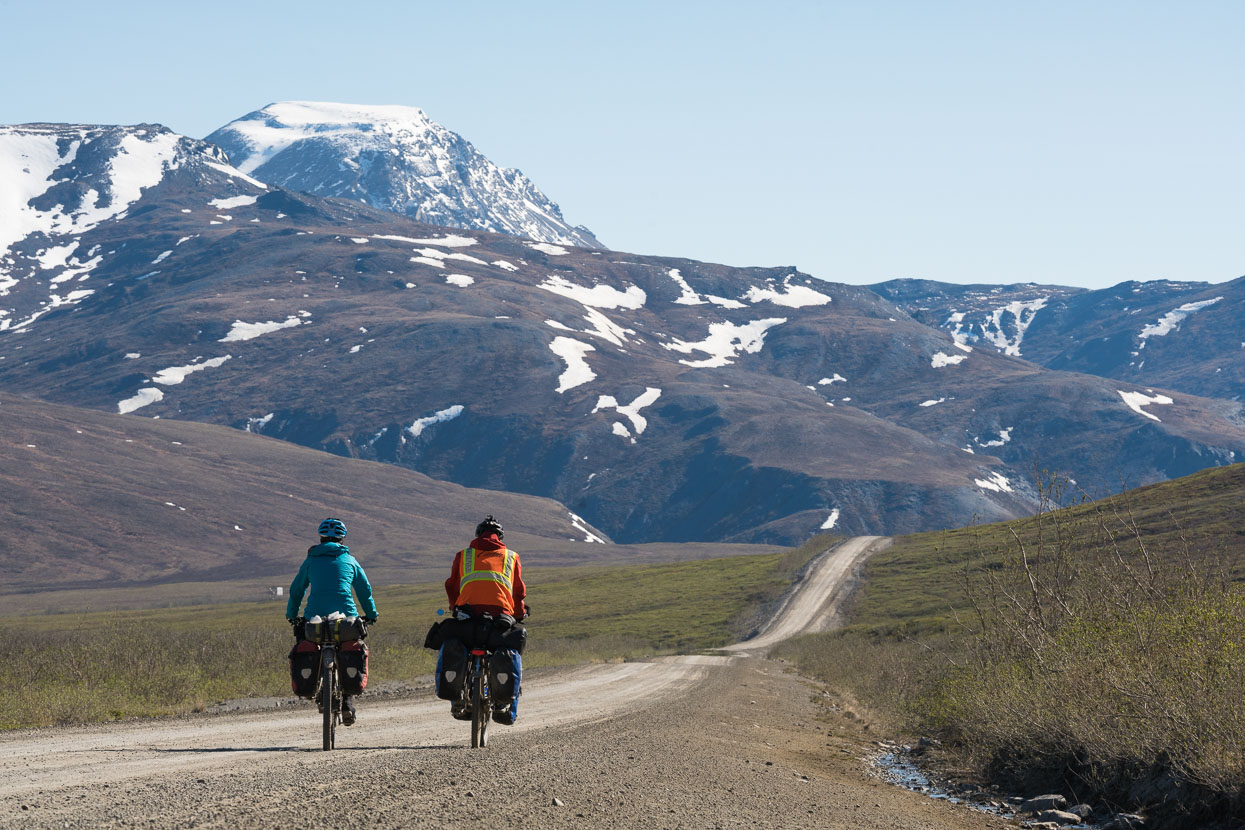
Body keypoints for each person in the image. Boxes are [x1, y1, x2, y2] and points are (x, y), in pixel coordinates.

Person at [286, 518, 378, 726]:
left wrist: (292, 614)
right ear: (342, 539)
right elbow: (364, 590)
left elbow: (296, 590)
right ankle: (347, 701)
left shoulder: (310, 561)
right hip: (346, 618)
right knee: (347, 650)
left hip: (314, 619)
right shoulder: (350, 561)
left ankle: (317, 684)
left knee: (308, 642)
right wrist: (371, 614)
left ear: (321, 538)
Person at [438, 514, 527, 724]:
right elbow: (518, 591)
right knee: (508, 650)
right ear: (500, 537)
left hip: (467, 615)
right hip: (500, 617)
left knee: (459, 646)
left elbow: (451, 584)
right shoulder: (512, 557)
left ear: (478, 535)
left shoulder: (463, 555)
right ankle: (503, 705)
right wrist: (519, 613)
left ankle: (457, 699)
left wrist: (455, 607)